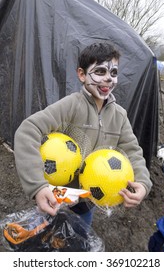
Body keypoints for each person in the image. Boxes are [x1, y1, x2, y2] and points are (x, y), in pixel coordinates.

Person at [14, 42, 152, 224]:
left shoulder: (120, 116)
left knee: (78, 239)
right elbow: (28, 130)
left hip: (87, 204)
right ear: (81, 74)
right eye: (101, 71)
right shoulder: (71, 105)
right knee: (46, 243)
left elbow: (132, 151)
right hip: (54, 199)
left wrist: (142, 182)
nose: (109, 78)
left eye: (114, 73)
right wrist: (37, 186)